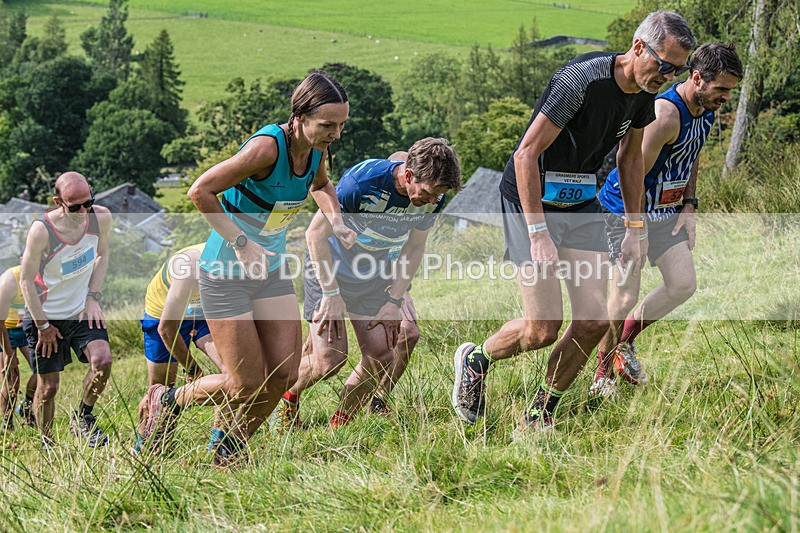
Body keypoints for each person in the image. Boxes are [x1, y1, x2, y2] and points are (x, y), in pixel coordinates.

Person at [450, 10, 695, 431]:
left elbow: (631, 158)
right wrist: (539, 232)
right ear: (638, 48)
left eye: (677, 70)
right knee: (543, 327)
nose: (668, 77)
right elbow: (525, 155)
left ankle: (540, 412)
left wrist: (636, 229)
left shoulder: (642, 93)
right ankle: (475, 360)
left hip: (580, 197)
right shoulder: (578, 81)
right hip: (531, 197)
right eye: (663, 65)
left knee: (594, 321)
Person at [138, 71, 356, 465]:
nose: (335, 134)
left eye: (341, 125)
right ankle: (166, 398)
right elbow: (200, 191)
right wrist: (240, 243)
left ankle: (229, 449)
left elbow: (322, 186)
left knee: (285, 376)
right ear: (300, 116)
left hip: (270, 272)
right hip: (226, 273)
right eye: (327, 125)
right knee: (245, 384)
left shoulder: (317, 149)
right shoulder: (266, 149)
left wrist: (336, 220)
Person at [272, 138, 462, 430]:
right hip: (329, 271)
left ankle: (340, 423)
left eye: (439, 194)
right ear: (409, 175)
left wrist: (394, 300)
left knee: (381, 355)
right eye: (427, 192)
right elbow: (315, 236)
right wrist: (331, 294)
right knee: (328, 360)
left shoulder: (433, 196)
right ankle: (286, 397)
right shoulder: (361, 184)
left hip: (373, 274)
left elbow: (414, 248)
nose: (433, 199)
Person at [591, 42, 743, 396]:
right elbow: (633, 173)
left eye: (730, 90)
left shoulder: (706, 108)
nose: (726, 98)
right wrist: (637, 228)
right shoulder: (665, 115)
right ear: (696, 78)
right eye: (721, 89)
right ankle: (603, 373)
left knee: (683, 285)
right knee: (626, 293)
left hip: (668, 212)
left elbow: (691, 156)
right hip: (625, 211)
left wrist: (689, 206)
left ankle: (624, 343)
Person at [19, 172, 113, 447]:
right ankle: (47, 444)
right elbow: (25, 280)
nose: (83, 211)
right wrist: (43, 326)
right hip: (45, 315)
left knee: (103, 362)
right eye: (75, 207)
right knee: (48, 388)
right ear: (58, 202)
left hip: (81, 309)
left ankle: (82, 418)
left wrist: (93, 296)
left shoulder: (100, 218)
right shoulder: (42, 231)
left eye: (88, 202)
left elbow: (102, 254)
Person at [137, 243, 229, 451]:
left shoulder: (243, 263)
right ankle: (150, 446)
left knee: (234, 371)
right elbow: (166, 329)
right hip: (164, 315)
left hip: (203, 314)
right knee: (161, 387)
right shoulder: (189, 267)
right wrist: (192, 368)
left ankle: (218, 443)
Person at [0, 263, 36, 431]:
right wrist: (8, 353)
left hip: (24, 328)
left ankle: (26, 406)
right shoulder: (10, 279)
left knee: (42, 370)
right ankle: (7, 424)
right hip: (4, 330)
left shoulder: (41, 276)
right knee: (12, 380)